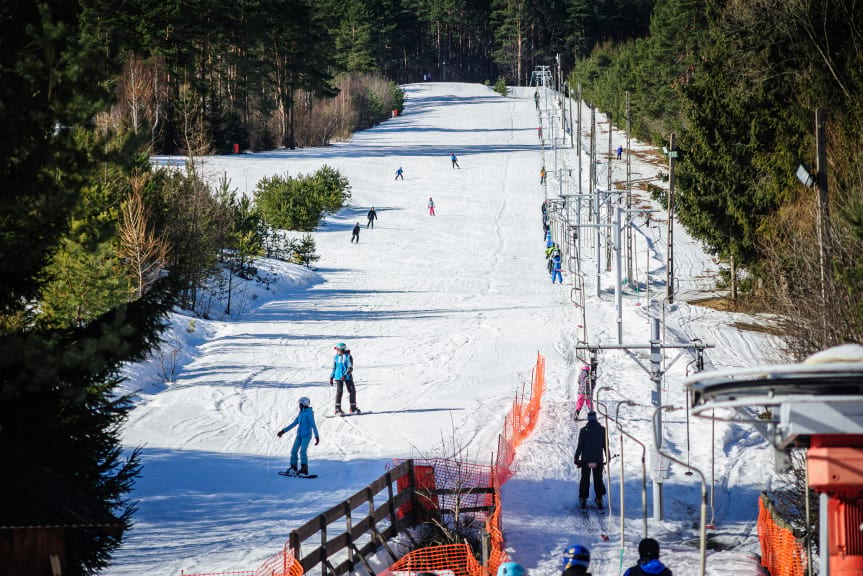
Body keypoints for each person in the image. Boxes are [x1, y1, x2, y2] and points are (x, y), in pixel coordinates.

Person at [276, 396, 320, 477]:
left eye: (300, 404)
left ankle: (304, 468)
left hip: (306, 436)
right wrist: (283, 431)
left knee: (302, 451)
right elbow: (293, 424)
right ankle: (293, 467)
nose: (299, 406)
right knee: (293, 451)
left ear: (304, 404)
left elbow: (313, 425)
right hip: (299, 436)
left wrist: (317, 437)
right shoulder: (301, 414)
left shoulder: (309, 414)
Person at [574, 411, 607, 509]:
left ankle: (583, 498)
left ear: (588, 419)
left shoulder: (584, 430)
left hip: (586, 460)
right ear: (596, 418)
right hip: (597, 459)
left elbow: (580, 446)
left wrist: (576, 458)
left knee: (585, 479)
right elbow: (605, 445)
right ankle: (599, 498)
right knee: (598, 479)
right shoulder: (602, 430)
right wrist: (607, 456)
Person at [330, 343, 359, 415]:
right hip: (338, 377)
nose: (336, 351)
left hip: (347, 377)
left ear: (341, 349)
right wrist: (331, 376)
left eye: (337, 349)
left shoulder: (348, 356)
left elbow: (350, 367)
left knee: (352, 391)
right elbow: (334, 368)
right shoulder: (336, 357)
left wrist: (345, 375)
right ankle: (337, 409)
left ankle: (353, 408)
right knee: (339, 392)